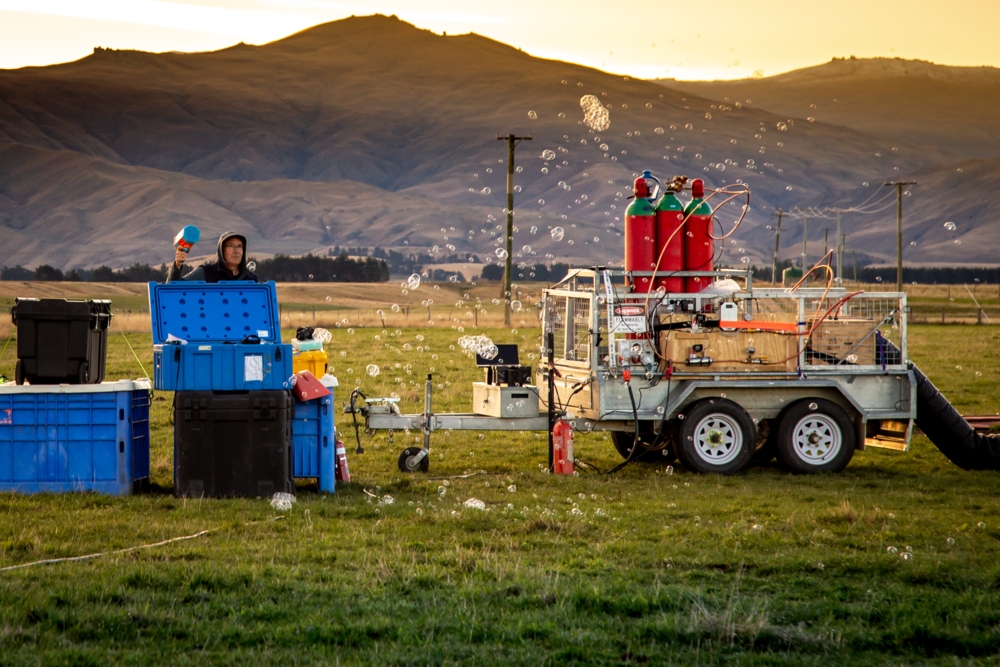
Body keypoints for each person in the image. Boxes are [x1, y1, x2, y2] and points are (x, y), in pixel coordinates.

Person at [167, 231, 258, 283]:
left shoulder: (251, 278)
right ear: (221, 250)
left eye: (239, 246)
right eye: (231, 246)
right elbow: (171, 291)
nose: (237, 251)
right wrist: (178, 265)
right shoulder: (205, 273)